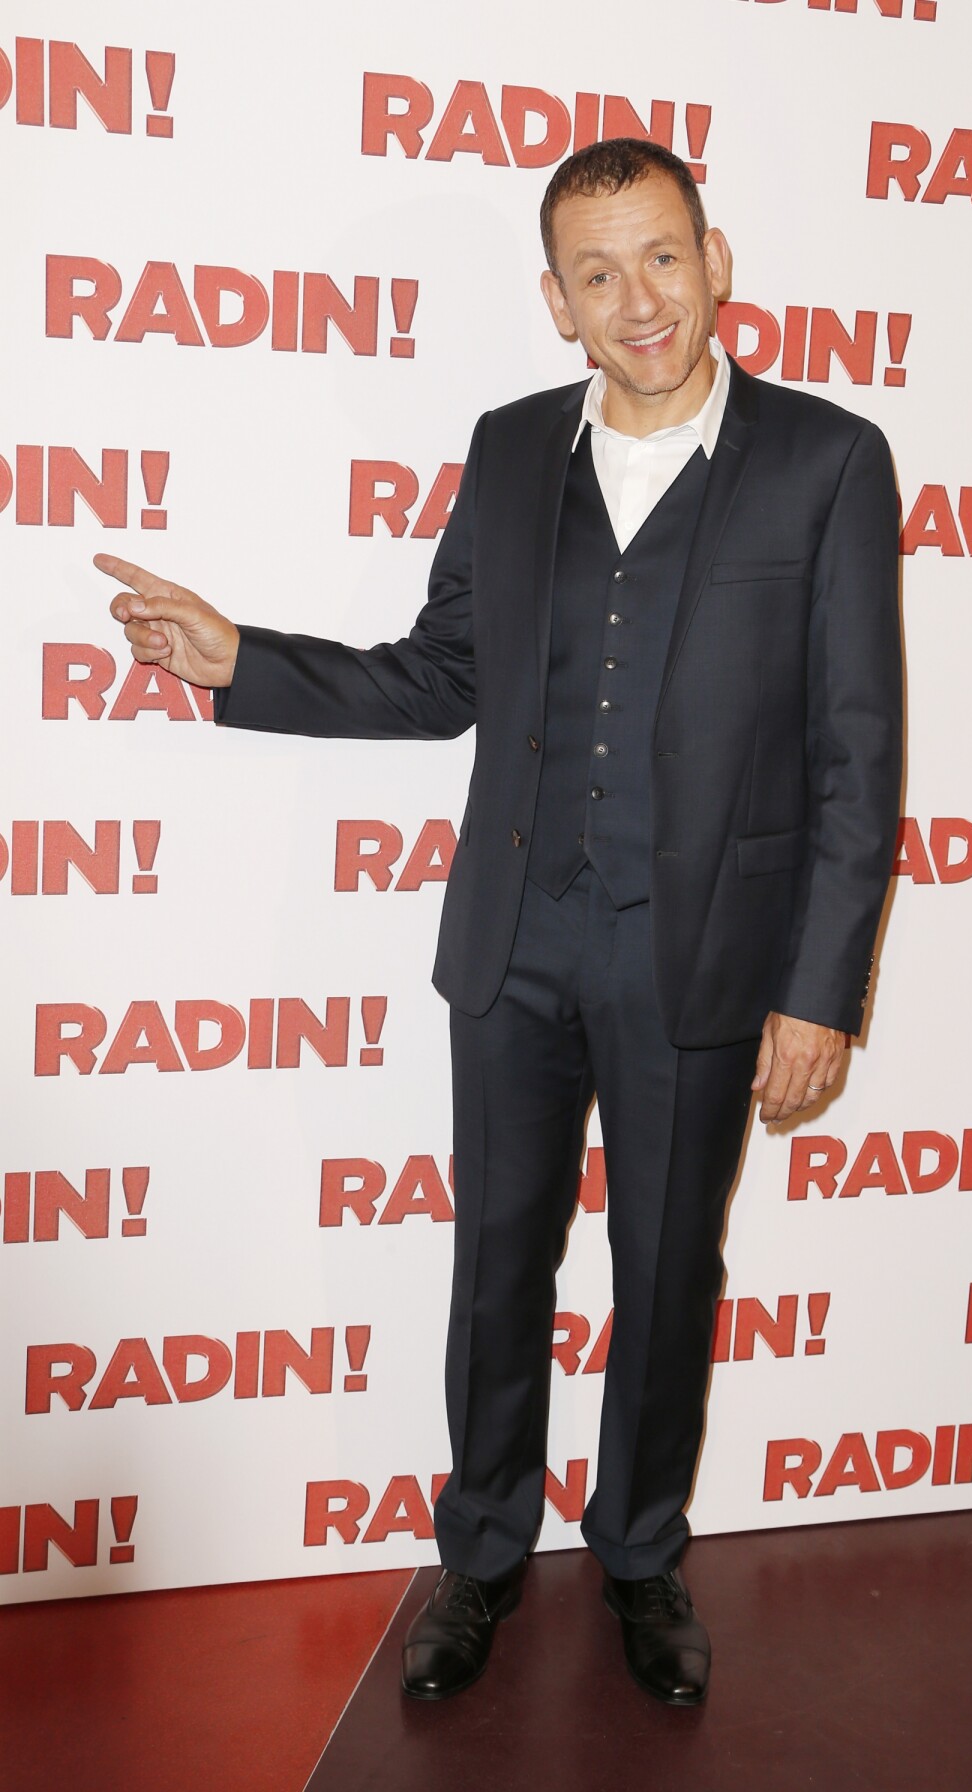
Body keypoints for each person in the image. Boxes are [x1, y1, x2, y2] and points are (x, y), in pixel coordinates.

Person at [98, 138, 902, 1707]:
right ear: (556, 300)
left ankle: (643, 1553)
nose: (638, 299)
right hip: (515, 945)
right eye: (597, 273)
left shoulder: (829, 461)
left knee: (671, 1269)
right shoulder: (512, 448)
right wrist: (235, 654)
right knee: (496, 1264)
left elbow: (857, 750)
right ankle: (477, 1557)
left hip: (703, 955)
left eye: (663, 258)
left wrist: (826, 985)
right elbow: (439, 676)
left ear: (717, 260)